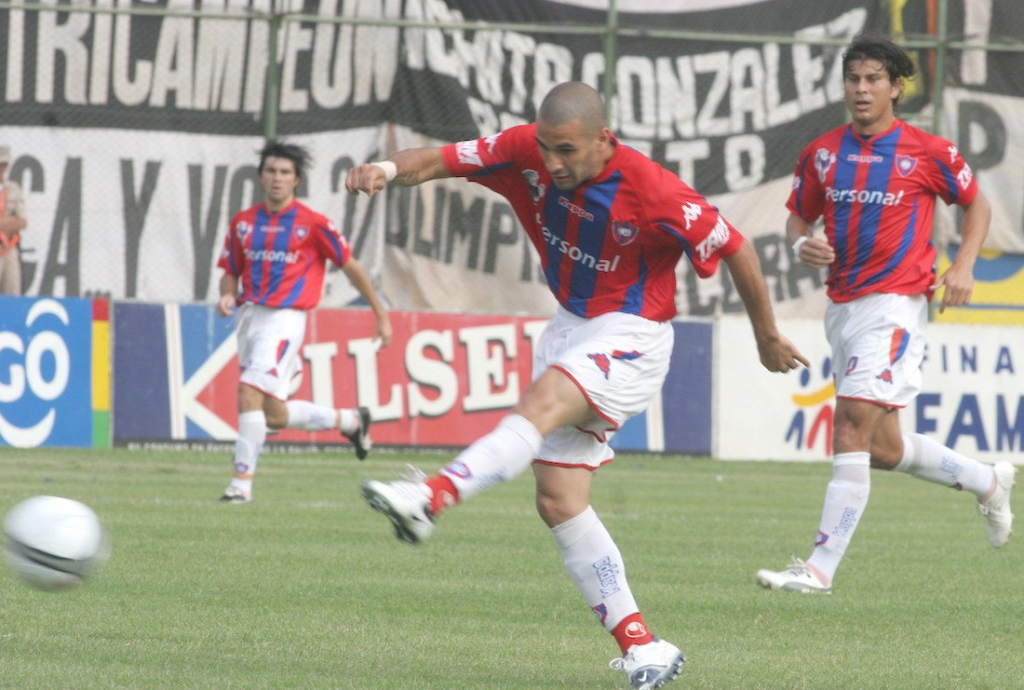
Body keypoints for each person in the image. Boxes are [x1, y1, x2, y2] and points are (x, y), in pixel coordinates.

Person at [347, 81, 808, 689]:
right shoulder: (526, 151)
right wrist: (382, 167)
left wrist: (766, 335)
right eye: (546, 148)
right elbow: (438, 160)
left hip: (633, 333)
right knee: (559, 500)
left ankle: (431, 497)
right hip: (572, 326)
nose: (553, 163)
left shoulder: (652, 188)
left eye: (566, 150)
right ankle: (645, 647)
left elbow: (737, 249)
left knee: (540, 405)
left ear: (603, 141)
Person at [756, 34, 1016, 595]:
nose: (861, 89)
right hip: (843, 307)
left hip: (896, 305)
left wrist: (964, 265)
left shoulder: (928, 152)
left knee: (849, 424)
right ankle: (987, 480)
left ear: (896, 88)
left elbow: (978, 203)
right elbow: (798, 221)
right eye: (853, 79)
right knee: (883, 448)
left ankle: (819, 568)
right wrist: (802, 244)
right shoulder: (822, 153)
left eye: (873, 79)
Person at [216, 140, 392, 504]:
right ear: (261, 176)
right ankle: (351, 422)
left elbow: (352, 267)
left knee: (248, 390)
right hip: (249, 319)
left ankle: (240, 486)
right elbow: (230, 270)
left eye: (284, 172)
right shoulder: (243, 223)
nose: (277, 178)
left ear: (296, 180)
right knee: (274, 415)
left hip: (285, 319)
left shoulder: (313, 224)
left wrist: (380, 313)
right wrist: (227, 294)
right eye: (271, 171)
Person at [0, 146, 28, 295]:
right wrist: (9, 222)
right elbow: (15, 221)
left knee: (12, 292)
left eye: (3, 165)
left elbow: (22, 222)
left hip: (9, 247)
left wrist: (7, 223)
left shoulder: (13, 188)